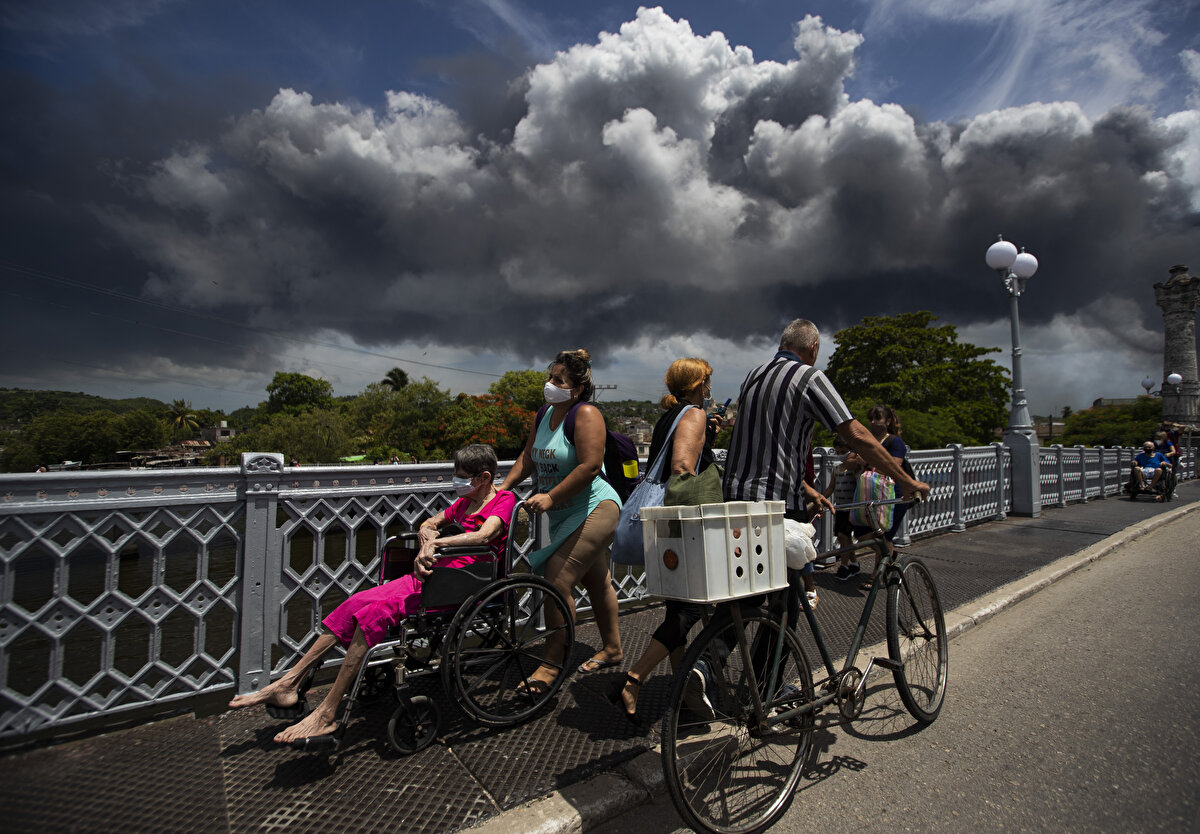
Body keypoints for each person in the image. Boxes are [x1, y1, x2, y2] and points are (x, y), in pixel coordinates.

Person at [228, 444, 515, 747]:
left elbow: (485, 535)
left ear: (484, 477)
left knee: (373, 616)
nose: (457, 482)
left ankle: (327, 713)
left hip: (461, 587)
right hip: (432, 577)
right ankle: (289, 682)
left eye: (463, 477)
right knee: (354, 604)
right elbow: (430, 522)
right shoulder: (463, 503)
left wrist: (436, 545)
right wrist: (427, 533)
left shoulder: (503, 500)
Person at [723, 319, 930, 621]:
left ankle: (714, 648)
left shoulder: (753, 376)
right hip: (777, 505)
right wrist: (906, 480)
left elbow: (767, 448)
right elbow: (856, 434)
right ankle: (774, 651)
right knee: (783, 606)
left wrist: (809, 489)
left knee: (745, 595)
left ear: (782, 344)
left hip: (734, 499)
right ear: (813, 348)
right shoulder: (809, 377)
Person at [499, 349, 623, 693]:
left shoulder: (586, 414)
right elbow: (528, 457)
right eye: (550, 377)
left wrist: (551, 497)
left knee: (555, 580)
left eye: (559, 380)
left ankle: (552, 663)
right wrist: (503, 489)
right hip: (563, 514)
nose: (549, 384)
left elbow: (590, 466)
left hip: (595, 507)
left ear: (577, 389)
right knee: (596, 581)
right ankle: (613, 649)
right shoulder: (544, 414)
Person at [611, 358, 723, 724]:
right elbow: (681, 469)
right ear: (698, 385)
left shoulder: (669, 416)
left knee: (677, 608)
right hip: (681, 523)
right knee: (690, 609)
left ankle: (684, 690)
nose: (709, 388)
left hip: (663, 522)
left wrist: (708, 437)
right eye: (707, 382)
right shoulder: (694, 414)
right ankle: (634, 679)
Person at [841, 405, 912, 586]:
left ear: (887, 421)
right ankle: (889, 555)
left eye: (878, 418)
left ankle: (877, 576)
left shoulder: (895, 442)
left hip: (893, 495)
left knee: (883, 535)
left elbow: (893, 467)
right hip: (868, 494)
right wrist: (857, 460)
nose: (873, 422)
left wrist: (865, 461)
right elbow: (848, 462)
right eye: (871, 418)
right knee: (862, 533)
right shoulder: (865, 441)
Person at [821, 436, 865, 574]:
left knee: (843, 535)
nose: (840, 455)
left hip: (851, 508)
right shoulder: (836, 468)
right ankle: (854, 563)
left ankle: (844, 565)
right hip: (840, 508)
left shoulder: (853, 469)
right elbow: (831, 487)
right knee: (843, 537)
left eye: (843, 452)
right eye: (838, 452)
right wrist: (822, 499)